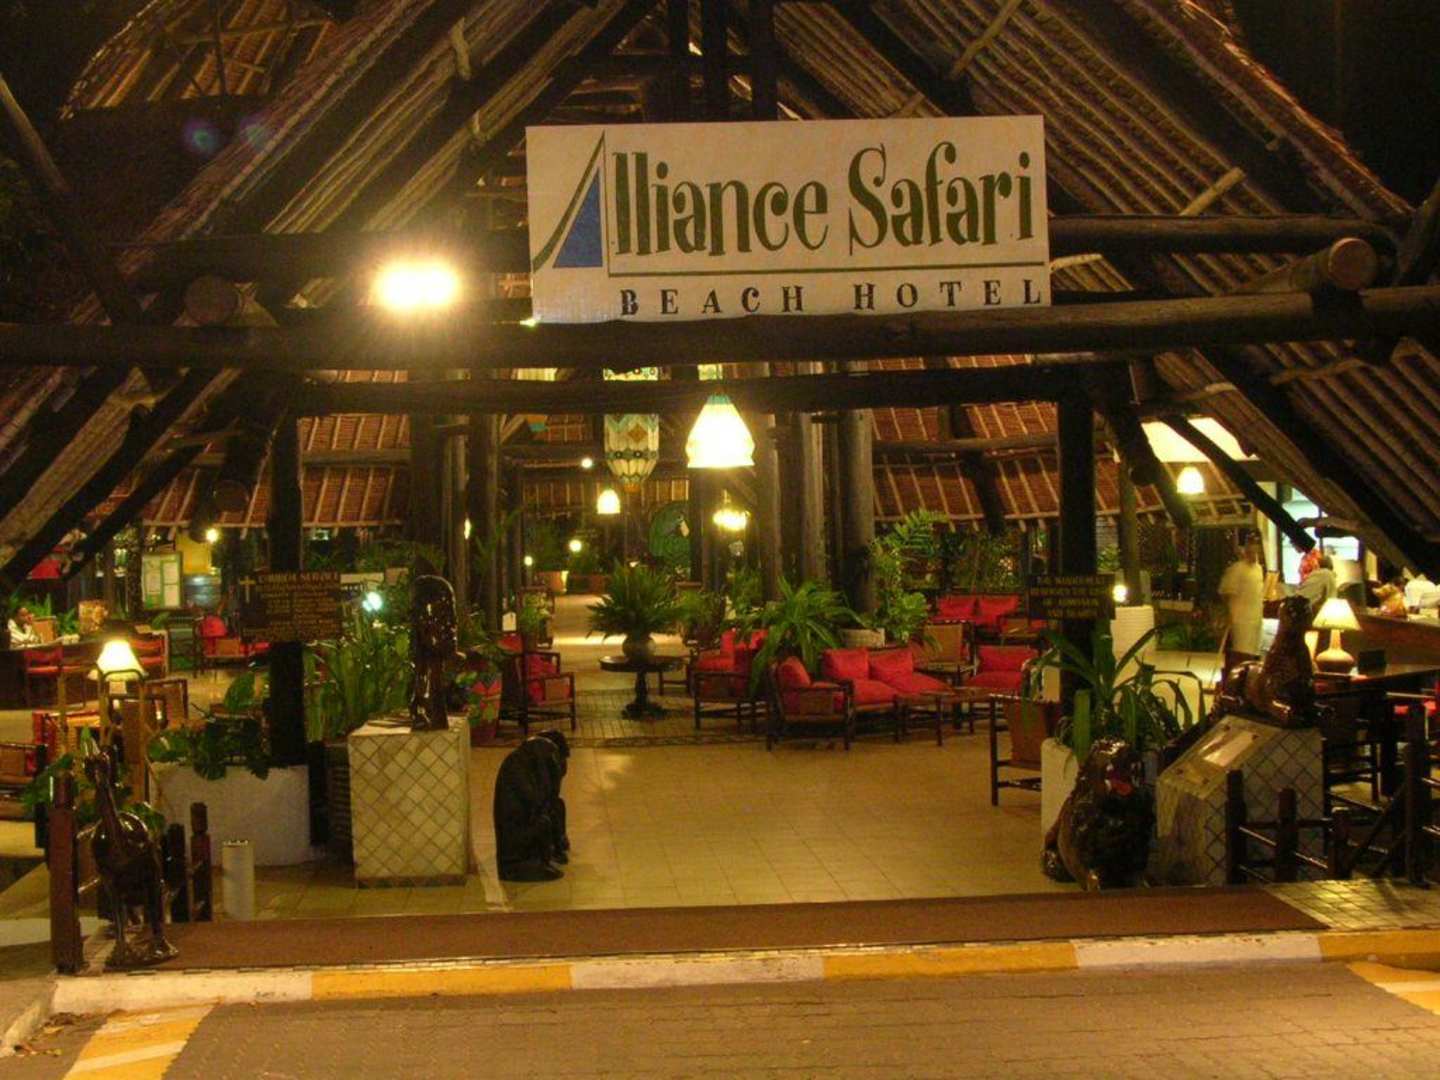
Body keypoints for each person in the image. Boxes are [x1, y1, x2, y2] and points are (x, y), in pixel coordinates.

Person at [1219, 537, 1265, 663]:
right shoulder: (1236, 569)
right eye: (1251, 548)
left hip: (1256, 618)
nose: (1254, 552)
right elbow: (1225, 593)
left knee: (1254, 654)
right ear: (1246, 550)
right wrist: (1228, 613)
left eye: (1257, 549)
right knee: (1241, 654)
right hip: (1240, 620)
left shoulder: (1259, 569)